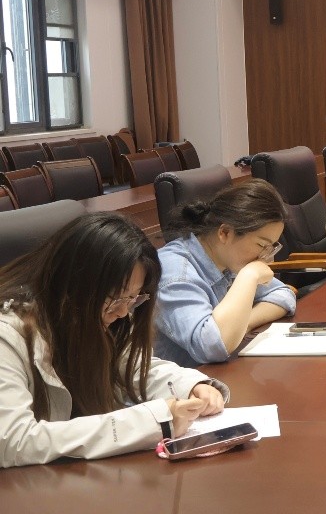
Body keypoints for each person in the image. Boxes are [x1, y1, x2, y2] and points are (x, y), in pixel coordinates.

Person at [0, 213, 228, 467]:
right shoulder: (7, 335)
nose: (122, 312)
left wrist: (190, 385)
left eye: (134, 298)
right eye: (116, 298)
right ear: (73, 281)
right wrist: (151, 422)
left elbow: (132, 365)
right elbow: (13, 441)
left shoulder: (94, 314)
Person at [153, 179, 296, 367]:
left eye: (271, 247)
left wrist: (241, 323)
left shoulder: (229, 258)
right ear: (225, 232)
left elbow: (283, 295)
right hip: (182, 382)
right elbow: (211, 346)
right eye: (262, 245)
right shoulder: (175, 273)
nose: (266, 257)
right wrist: (249, 276)